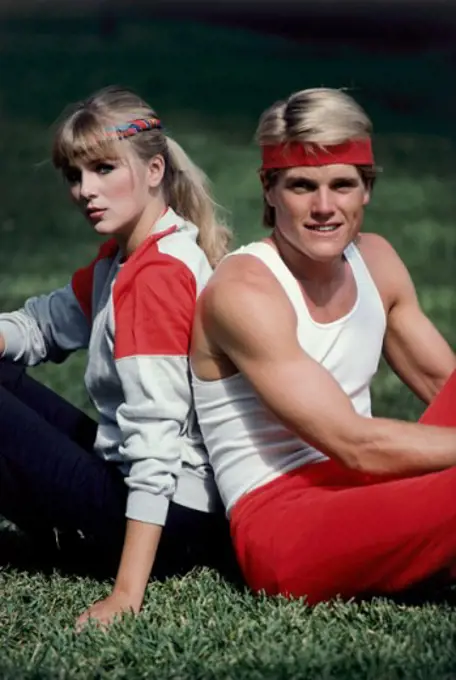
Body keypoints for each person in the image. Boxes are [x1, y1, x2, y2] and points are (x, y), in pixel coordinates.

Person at [190, 87, 456, 605]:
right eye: (301, 186)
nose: (324, 207)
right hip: (287, 523)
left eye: (342, 184)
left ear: (366, 191)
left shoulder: (376, 260)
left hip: (368, 490)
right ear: (269, 190)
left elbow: (443, 384)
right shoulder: (243, 290)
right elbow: (355, 444)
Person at [0, 85, 233, 628]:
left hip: (173, 520)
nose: (85, 190)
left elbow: (157, 446)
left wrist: (126, 594)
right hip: (138, 488)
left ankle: (71, 542)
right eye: (75, 176)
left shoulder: (157, 277)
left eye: (104, 169)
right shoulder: (125, 260)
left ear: (155, 170)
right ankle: (60, 535)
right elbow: (39, 326)